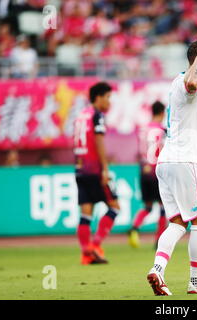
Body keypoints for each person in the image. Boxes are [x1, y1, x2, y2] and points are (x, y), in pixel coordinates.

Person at [146, 40, 197, 296]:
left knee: (178, 224)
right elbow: (192, 83)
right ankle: (196, 282)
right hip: (185, 160)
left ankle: (157, 269)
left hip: (169, 161)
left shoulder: (195, 84)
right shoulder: (184, 82)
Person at [73, 82, 120, 265]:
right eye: (108, 97)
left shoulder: (80, 116)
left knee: (86, 212)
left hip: (80, 169)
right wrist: (105, 168)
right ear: (98, 97)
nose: (109, 102)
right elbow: (99, 141)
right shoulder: (96, 115)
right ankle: (95, 246)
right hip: (94, 169)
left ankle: (86, 254)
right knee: (115, 207)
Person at [128, 101, 167, 249]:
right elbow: (162, 149)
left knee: (148, 206)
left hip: (143, 170)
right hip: (157, 171)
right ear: (162, 113)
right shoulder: (162, 130)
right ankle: (159, 240)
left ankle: (135, 227)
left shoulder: (142, 130)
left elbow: (140, 151)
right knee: (164, 207)